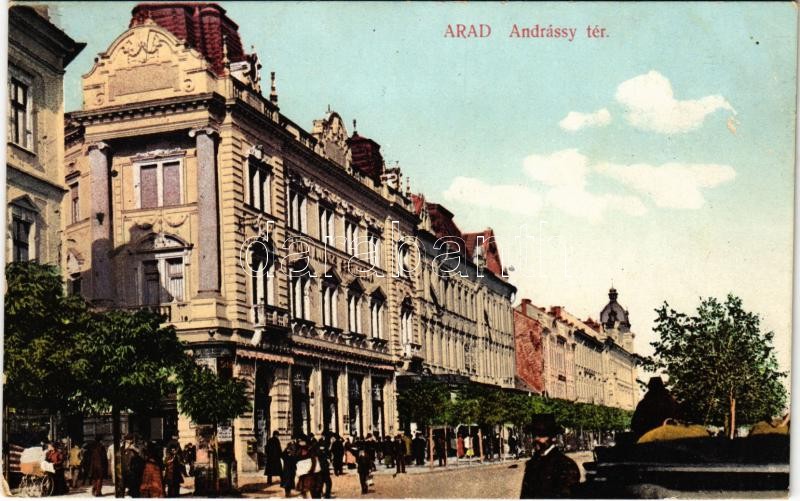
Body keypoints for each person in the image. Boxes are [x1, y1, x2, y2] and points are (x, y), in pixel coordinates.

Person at [520, 414, 580, 499]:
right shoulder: (532, 464)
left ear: (553, 438)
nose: (536, 438)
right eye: (534, 434)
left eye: (541, 434)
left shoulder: (565, 465)